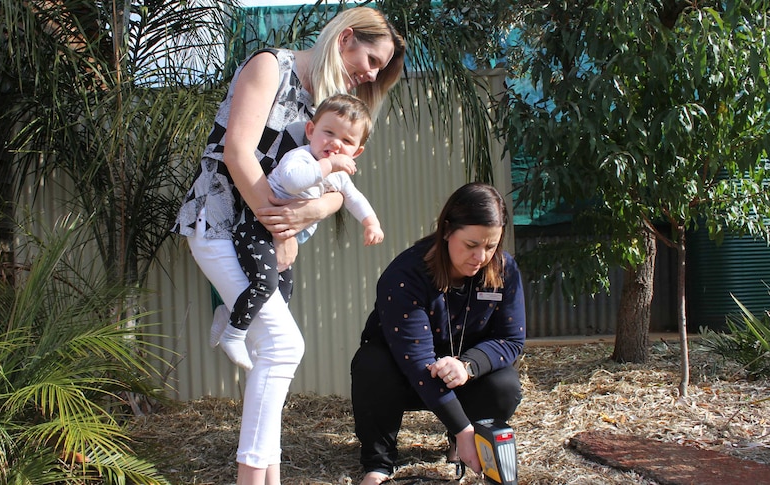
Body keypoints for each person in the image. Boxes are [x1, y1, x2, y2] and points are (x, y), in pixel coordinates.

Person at [170, 6, 405, 485]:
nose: (371, 74)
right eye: (373, 59)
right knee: (282, 346)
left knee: (272, 359)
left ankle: (268, 475)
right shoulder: (269, 67)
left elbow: (339, 191)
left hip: (264, 238)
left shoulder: (330, 105)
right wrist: (282, 230)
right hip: (219, 224)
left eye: (380, 70)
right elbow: (237, 153)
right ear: (345, 38)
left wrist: (311, 214)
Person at [350, 182, 526, 485]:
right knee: (371, 364)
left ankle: (461, 446)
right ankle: (378, 462)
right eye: (471, 245)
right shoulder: (406, 275)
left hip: (461, 374)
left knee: (505, 383)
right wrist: (463, 427)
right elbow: (418, 362)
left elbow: (512, 339)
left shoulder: (504, 269)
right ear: (447, 230)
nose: (481, 256)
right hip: (403, 376)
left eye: (491, 245)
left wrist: (468, 365)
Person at [212, 93, 385, 369]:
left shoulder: (338, 175)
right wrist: (328, 165)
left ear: (357, 152)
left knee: (283, 291)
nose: (335, 144)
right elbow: (293, 182)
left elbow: (353, 198)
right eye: (329, 133)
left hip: (277, 236)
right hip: (256, 227)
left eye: (347, 141)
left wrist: (371, 222)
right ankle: (233, 334)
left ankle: (230, 313)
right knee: (265, 283)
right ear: (311, 130)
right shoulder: (301, 158)